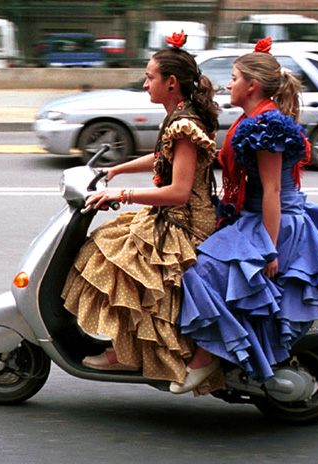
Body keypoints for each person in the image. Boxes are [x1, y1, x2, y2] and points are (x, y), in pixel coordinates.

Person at [176, 37, 318, 390]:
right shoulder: (253, 118)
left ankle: (207, 356)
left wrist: (269, 249)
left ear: (252, 85)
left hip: (272, 224)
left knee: (197, 272)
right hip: (253, 216)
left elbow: (273, 190)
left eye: (233, 77)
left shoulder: (266, 125)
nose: (228, 84)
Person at [61, 31, 222, 394]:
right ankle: (125, 347)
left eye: (150, 77)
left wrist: (124, 193)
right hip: (169, 217)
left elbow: (178, 191)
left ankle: (126, 352)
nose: (145, 83)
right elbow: (162, 159)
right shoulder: (177, 116)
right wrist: (118, 169)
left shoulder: (184, 125)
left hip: (185, 224)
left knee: (116, 263)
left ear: (171, 83)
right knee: (102, 247)